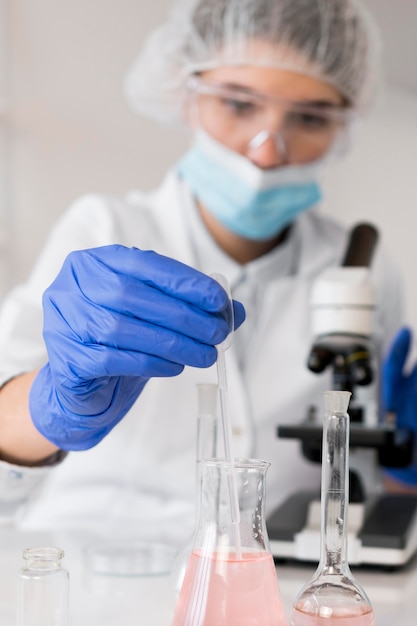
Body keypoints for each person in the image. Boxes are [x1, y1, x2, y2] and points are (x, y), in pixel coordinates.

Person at [0, 0, 415, 547]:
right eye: (240, 104)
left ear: (343, 127)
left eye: (310, 117)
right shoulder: (104, 229)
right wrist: (49, 405)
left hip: (276, 575)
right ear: (186, 95)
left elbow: (363, 476)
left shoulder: (358, 266)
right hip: (97, 563)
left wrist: (404, 461)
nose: (268, 149)